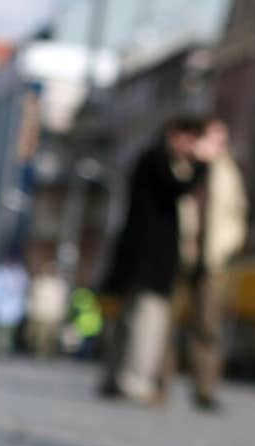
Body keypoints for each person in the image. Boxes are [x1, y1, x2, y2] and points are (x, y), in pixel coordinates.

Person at [98, 116, 222, 404]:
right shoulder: (156, 160)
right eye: (190, 140)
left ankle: (118, 379)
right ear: (175, 135)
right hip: (150, 262)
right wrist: (203, 163)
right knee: (146, 323)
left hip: (141, 260)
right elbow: (180, 188)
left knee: (131, 321)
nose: (192, 148)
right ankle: (135, 382)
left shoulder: (148, 158)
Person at [171, 119, 248, 410]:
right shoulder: (184, 164)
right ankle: (159, 383)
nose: (218, 142)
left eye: (222, 137)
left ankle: (205, 389)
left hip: (213, 257)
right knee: (170, 321)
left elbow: (236, 212)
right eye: (213, 136)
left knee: (208, 326)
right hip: (183, 252)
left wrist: (228, 246)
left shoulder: (228, 171)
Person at [26, 262, 67, 358]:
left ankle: (48, 354)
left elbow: (61, 301)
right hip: (40, 313)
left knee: (51, 337)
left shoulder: (59, 284)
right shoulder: (38, 282)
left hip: (53, 314)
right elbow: (32, 297)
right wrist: (31, 310)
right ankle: (39, 354)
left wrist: (61, 313)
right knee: (39, 337)